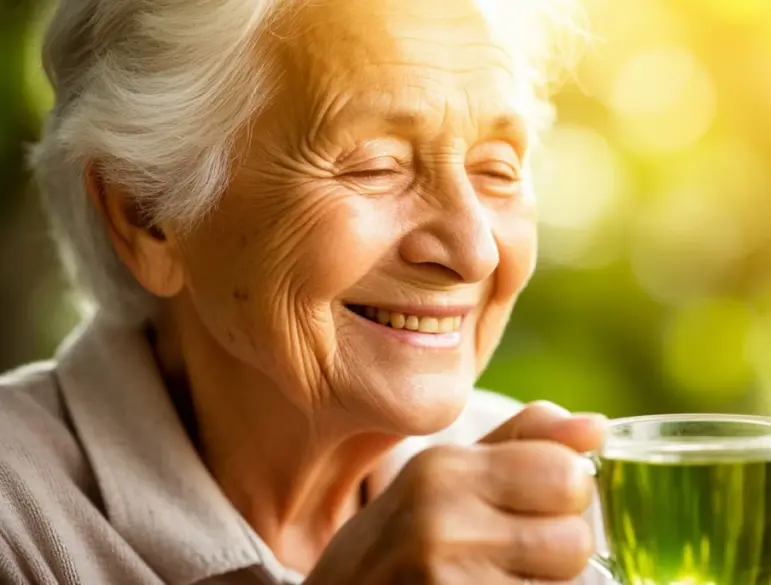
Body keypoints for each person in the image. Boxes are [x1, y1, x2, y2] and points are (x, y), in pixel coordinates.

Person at [0, 0, 612, 583]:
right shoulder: (19, 524)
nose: (475, 250)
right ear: (148, 216)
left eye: (496, 169)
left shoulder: (563, 503)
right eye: (376, 165)